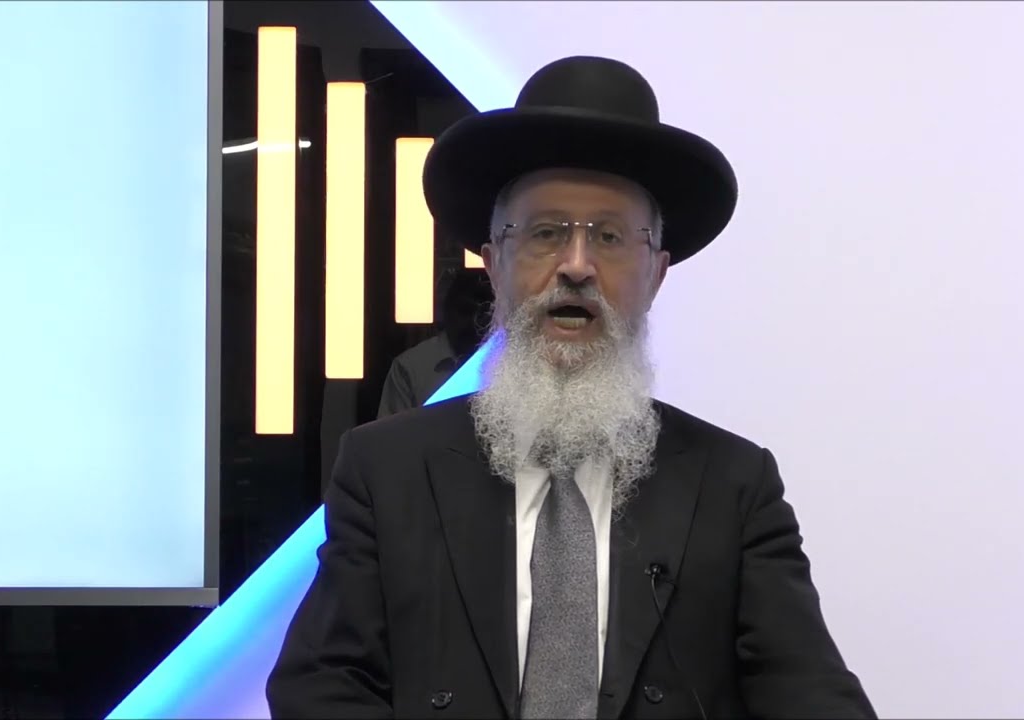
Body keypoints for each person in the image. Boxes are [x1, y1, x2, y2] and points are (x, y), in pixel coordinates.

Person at [267, 55, 876, 719]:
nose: (577, 266)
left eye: (610, 237)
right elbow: (320, 686)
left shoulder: (735, 484)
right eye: (546, 233)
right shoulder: (386, 469)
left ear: (656, 275)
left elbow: (810, 693)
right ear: (494, 264)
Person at [376, 268, 494, 418]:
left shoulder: (506, 363)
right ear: (446, 312)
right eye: (465, 311)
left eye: (483, 313)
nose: (473, 322)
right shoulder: (410, 367)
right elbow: (390, 430)